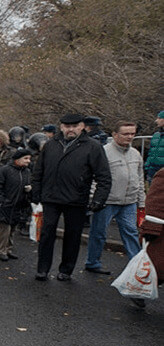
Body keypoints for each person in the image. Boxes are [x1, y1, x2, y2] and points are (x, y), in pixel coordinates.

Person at [31, 113, 111, 281]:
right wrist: (36, 193)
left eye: (75, 126)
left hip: (76, 199)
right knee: (46, 234)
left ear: (82, 127)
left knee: (72, 236)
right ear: (61, 127)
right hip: (51, 197)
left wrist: (98, 199)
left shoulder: (93, 146)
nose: (71, 129)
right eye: (67, 126)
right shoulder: (51, 145)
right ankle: (42, 268)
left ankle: (66, 270)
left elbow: (103, 176)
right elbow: (39, 171)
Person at [84, 122, 145, 274]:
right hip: (107, 201)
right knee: (98, 233)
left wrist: (141, 201)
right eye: (126, 134)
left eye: (132, 133)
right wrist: (94, 199)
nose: (130, 137)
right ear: (115, 134)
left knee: (131, 232)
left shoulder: (136, 154)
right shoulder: (103, 152)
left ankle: (136, 267)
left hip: (129, 202)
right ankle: (92, 262)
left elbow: (139, 178)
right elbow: (93, 177)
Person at [0, 148, 33, 261]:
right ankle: (1, 250)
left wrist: (29, 189)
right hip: (5, 205)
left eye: (29, 159)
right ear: (17, 159)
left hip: (18, 205)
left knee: (12, 229)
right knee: (4, 229)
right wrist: (1, 201)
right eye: (26, 158)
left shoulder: (26, 172)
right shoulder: (5, 170)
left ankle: (8, 249)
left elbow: (28, 184)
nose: (28, 161)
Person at [137, 169, 164, 308]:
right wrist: (152, 227)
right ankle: (138, 290)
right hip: (161, 232)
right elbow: (155, 201)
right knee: (156, 268)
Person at [145, 110, 164, 183]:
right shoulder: (156, 135)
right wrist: (147, 167)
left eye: (159, 118)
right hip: (152, 172)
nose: (156, 121)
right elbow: (151, 153)